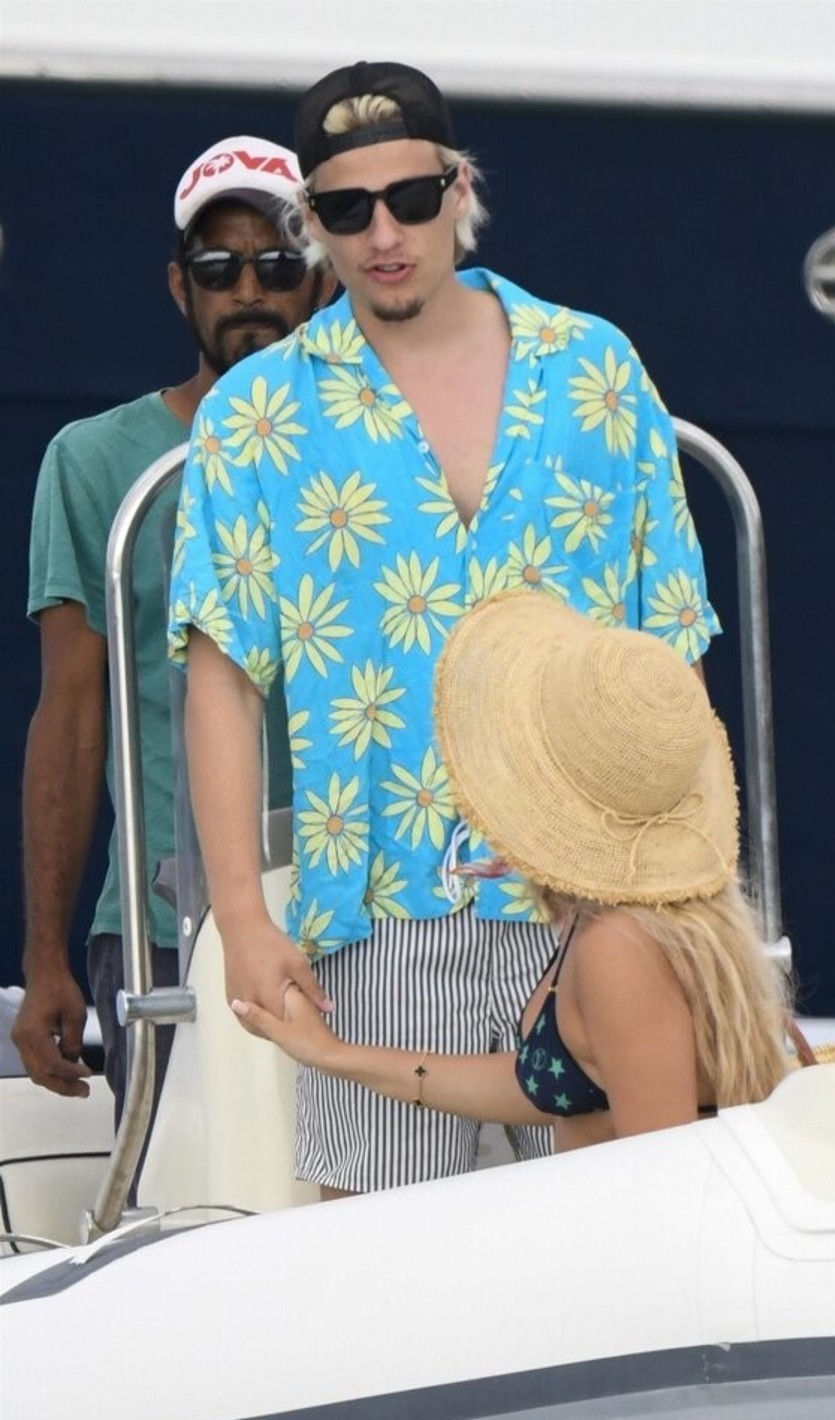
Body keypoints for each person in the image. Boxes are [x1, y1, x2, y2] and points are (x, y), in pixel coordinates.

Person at [167, 62, 722, 1195]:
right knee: (374, 1265)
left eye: (411, 199)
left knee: (619, 1240)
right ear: (312, 222)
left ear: (458, 190)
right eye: (345, 209)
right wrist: (243, 917)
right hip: (376, 908)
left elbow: (669, 657)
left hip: (595, 901)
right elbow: (222, 678)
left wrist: (696, 895)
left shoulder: (594, 368)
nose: (383, 235)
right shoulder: (254, 413)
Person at [15, 135, 335, 1126]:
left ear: (323, 277)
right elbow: (72, 716)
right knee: (183, 1203)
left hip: (365, 914)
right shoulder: (93, 458)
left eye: (278, 262)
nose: (251, 289)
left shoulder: (386, 447)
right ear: (177, 285)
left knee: (376, 1201)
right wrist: (45, 954)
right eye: (219, 266)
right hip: (161, 928)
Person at [232, 592, 790, 1146]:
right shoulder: (614, 917)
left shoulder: (620, 945)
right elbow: (543, 1084)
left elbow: (666, 1173)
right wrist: (333, 1055)